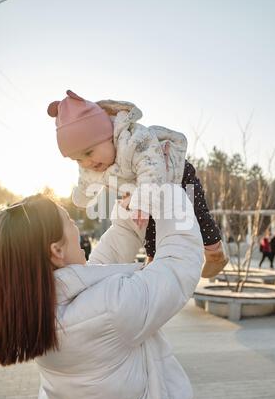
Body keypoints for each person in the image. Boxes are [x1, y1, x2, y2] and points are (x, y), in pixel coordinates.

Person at [0, 184, 207, 399]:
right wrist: (168, 193)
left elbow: (101, 266)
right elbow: (179, 266)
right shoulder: (110, 310)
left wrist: (128, 217)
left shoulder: (41, 312)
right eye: (70, 221)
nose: (77, 227)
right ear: (57, 250)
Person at [47, 90, 228, 278]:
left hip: (177, 176)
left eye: (89, 153)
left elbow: (152, 169)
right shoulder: (90, 166)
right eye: (77, 159)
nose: (86, 163)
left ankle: (215, 252)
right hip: (140, 189)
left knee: (195, 213)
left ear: (107, 135)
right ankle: (153, 260)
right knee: (147, 224)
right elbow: (85, 182)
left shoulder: (134, 140)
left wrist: (142, 202)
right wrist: (81, 198)